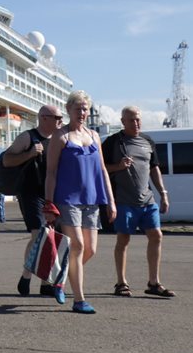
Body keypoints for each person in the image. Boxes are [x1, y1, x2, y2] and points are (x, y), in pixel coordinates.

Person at [44, 90, 117, 314]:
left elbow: (103, 170)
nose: (82, 113)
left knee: (91, 249)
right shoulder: (61, 137)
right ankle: (79, 300)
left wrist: (111, 201)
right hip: (67, 200)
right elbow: (51, 172)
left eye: (85, 109)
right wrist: (49, 204)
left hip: (92, 199)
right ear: (68, 110)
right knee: (77, 245)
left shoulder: (94, 136)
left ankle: (61, 278)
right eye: (78, 109)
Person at [104, 106, 175, 298]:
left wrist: (163, 193)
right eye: (131, 120)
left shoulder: (147, 141)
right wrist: (117, 166)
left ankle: (154, 283)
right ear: (123, 122)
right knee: (123, 239)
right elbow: (100, 169)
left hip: (147, 199)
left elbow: (154, 169)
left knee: (156, 236)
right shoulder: (113, 142)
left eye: (138, 119)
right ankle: (121, 283)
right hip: (123, 200)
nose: (136, 123)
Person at [4, 105, 63, 297]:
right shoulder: (27, 137)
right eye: (57, 117)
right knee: (38, 235)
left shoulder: (60, 139)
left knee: (52, 237)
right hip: (30, 192)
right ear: (44, 118)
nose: (61, 121)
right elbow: (7, 160)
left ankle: (46, 282)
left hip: (52, 193)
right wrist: (29, 153)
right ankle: (26, 276)